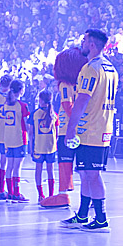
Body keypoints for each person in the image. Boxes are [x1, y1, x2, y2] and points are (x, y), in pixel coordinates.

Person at [60, 29, 119, 233]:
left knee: (92, 174)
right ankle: (83, 214)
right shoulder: (111, 68)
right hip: (102, 126)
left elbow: (82, 100)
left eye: (84, 40)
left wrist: (71, 128)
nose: (82, 43)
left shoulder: (90, 68)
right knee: (85, 173)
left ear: (92, 44)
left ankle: (101, 219)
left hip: (90, 128)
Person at [45, 48, 89, 207]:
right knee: (84, 166)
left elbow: (67, 105)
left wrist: (75, 121)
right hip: (84, 129)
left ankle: (63, 195)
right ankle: (90, 196)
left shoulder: (64, 85)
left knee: (65, 163)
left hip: (67, 130)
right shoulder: (84, 83)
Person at [0, 79, 30, 203]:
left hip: (8, 138)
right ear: (21, 90)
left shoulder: (6, 105)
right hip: (19, 139)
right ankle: (16, 192)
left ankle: (10, 192)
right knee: (17, 167)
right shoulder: (22, 106)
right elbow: (26, 124)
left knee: (9, 166)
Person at [30, 90, 58, 205]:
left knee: (38, 170)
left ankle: (40, 195)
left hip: (38, 147)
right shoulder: (54, 114)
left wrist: (31, 148)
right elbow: (57, 133)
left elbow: (31, 133)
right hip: (51, 147)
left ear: (41, 100)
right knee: (50, 171)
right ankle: (51, 195)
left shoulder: (35, 114)